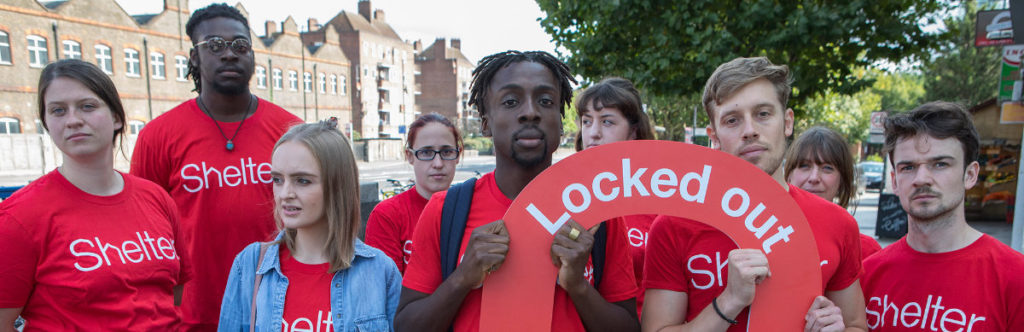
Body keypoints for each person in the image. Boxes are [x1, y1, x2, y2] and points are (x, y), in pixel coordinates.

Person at [395, 51, 640, 332]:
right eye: (511, 101)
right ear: (485, 123)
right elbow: (405, 326)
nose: (530, 112)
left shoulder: (599, 214)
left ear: (561, 123)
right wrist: (462, 277)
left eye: (546, 101)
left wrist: (578, 286)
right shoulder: (446, 210)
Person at [643, 57, 867, 332]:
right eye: (732, 120)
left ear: (787, 122)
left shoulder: (837, 223)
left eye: (763, 114)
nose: (749, 131)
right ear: (714, 135)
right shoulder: (673, 225)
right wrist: (729, 301)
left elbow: (856, 324)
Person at [130, 4, 301, 330]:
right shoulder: (158, 135)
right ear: (193, 57)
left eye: (240, 45)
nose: (229, 55)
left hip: (280, 307)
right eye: (214, 46)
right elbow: (142, 234)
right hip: (194, 314)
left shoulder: (291, 130)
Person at [0, 59, 189, 329]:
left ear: (117, 117)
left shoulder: (156, 198)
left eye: (87, 106)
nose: (73, 120)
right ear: (46, 123)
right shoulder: (19, 217)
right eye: (57, 111)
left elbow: (172, 293)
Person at [218, 120, 401, 331]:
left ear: (338, 185)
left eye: (302, 181)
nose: (285, 193)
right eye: (278, 179)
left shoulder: (379, 271)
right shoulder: (250, 264)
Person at [861, 102, 1024, 331]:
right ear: (895, 181)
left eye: (940, 164)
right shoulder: (867, 275)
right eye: (908, 167)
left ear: (970, 175)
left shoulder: (1015, 278)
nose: (922, 178)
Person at [573, 77, 657, 316]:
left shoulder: (662, 194)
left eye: (607, 122)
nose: (594, 133)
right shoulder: (570, 194)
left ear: (633, 131)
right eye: (587, 121)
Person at [365, 113, 463, 274]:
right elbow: (387, 290)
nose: (438, 164)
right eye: (426, 153)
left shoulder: (473, 205)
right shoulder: (387, 215)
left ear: (457, 155)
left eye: (446, 152)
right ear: (410, 156)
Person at [785, 126, 882, 259]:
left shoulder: (865, 251)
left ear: (842, 180)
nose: (814, 178)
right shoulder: (763, 239)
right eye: (804, 166)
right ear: (789, 175)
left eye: (827, 168)